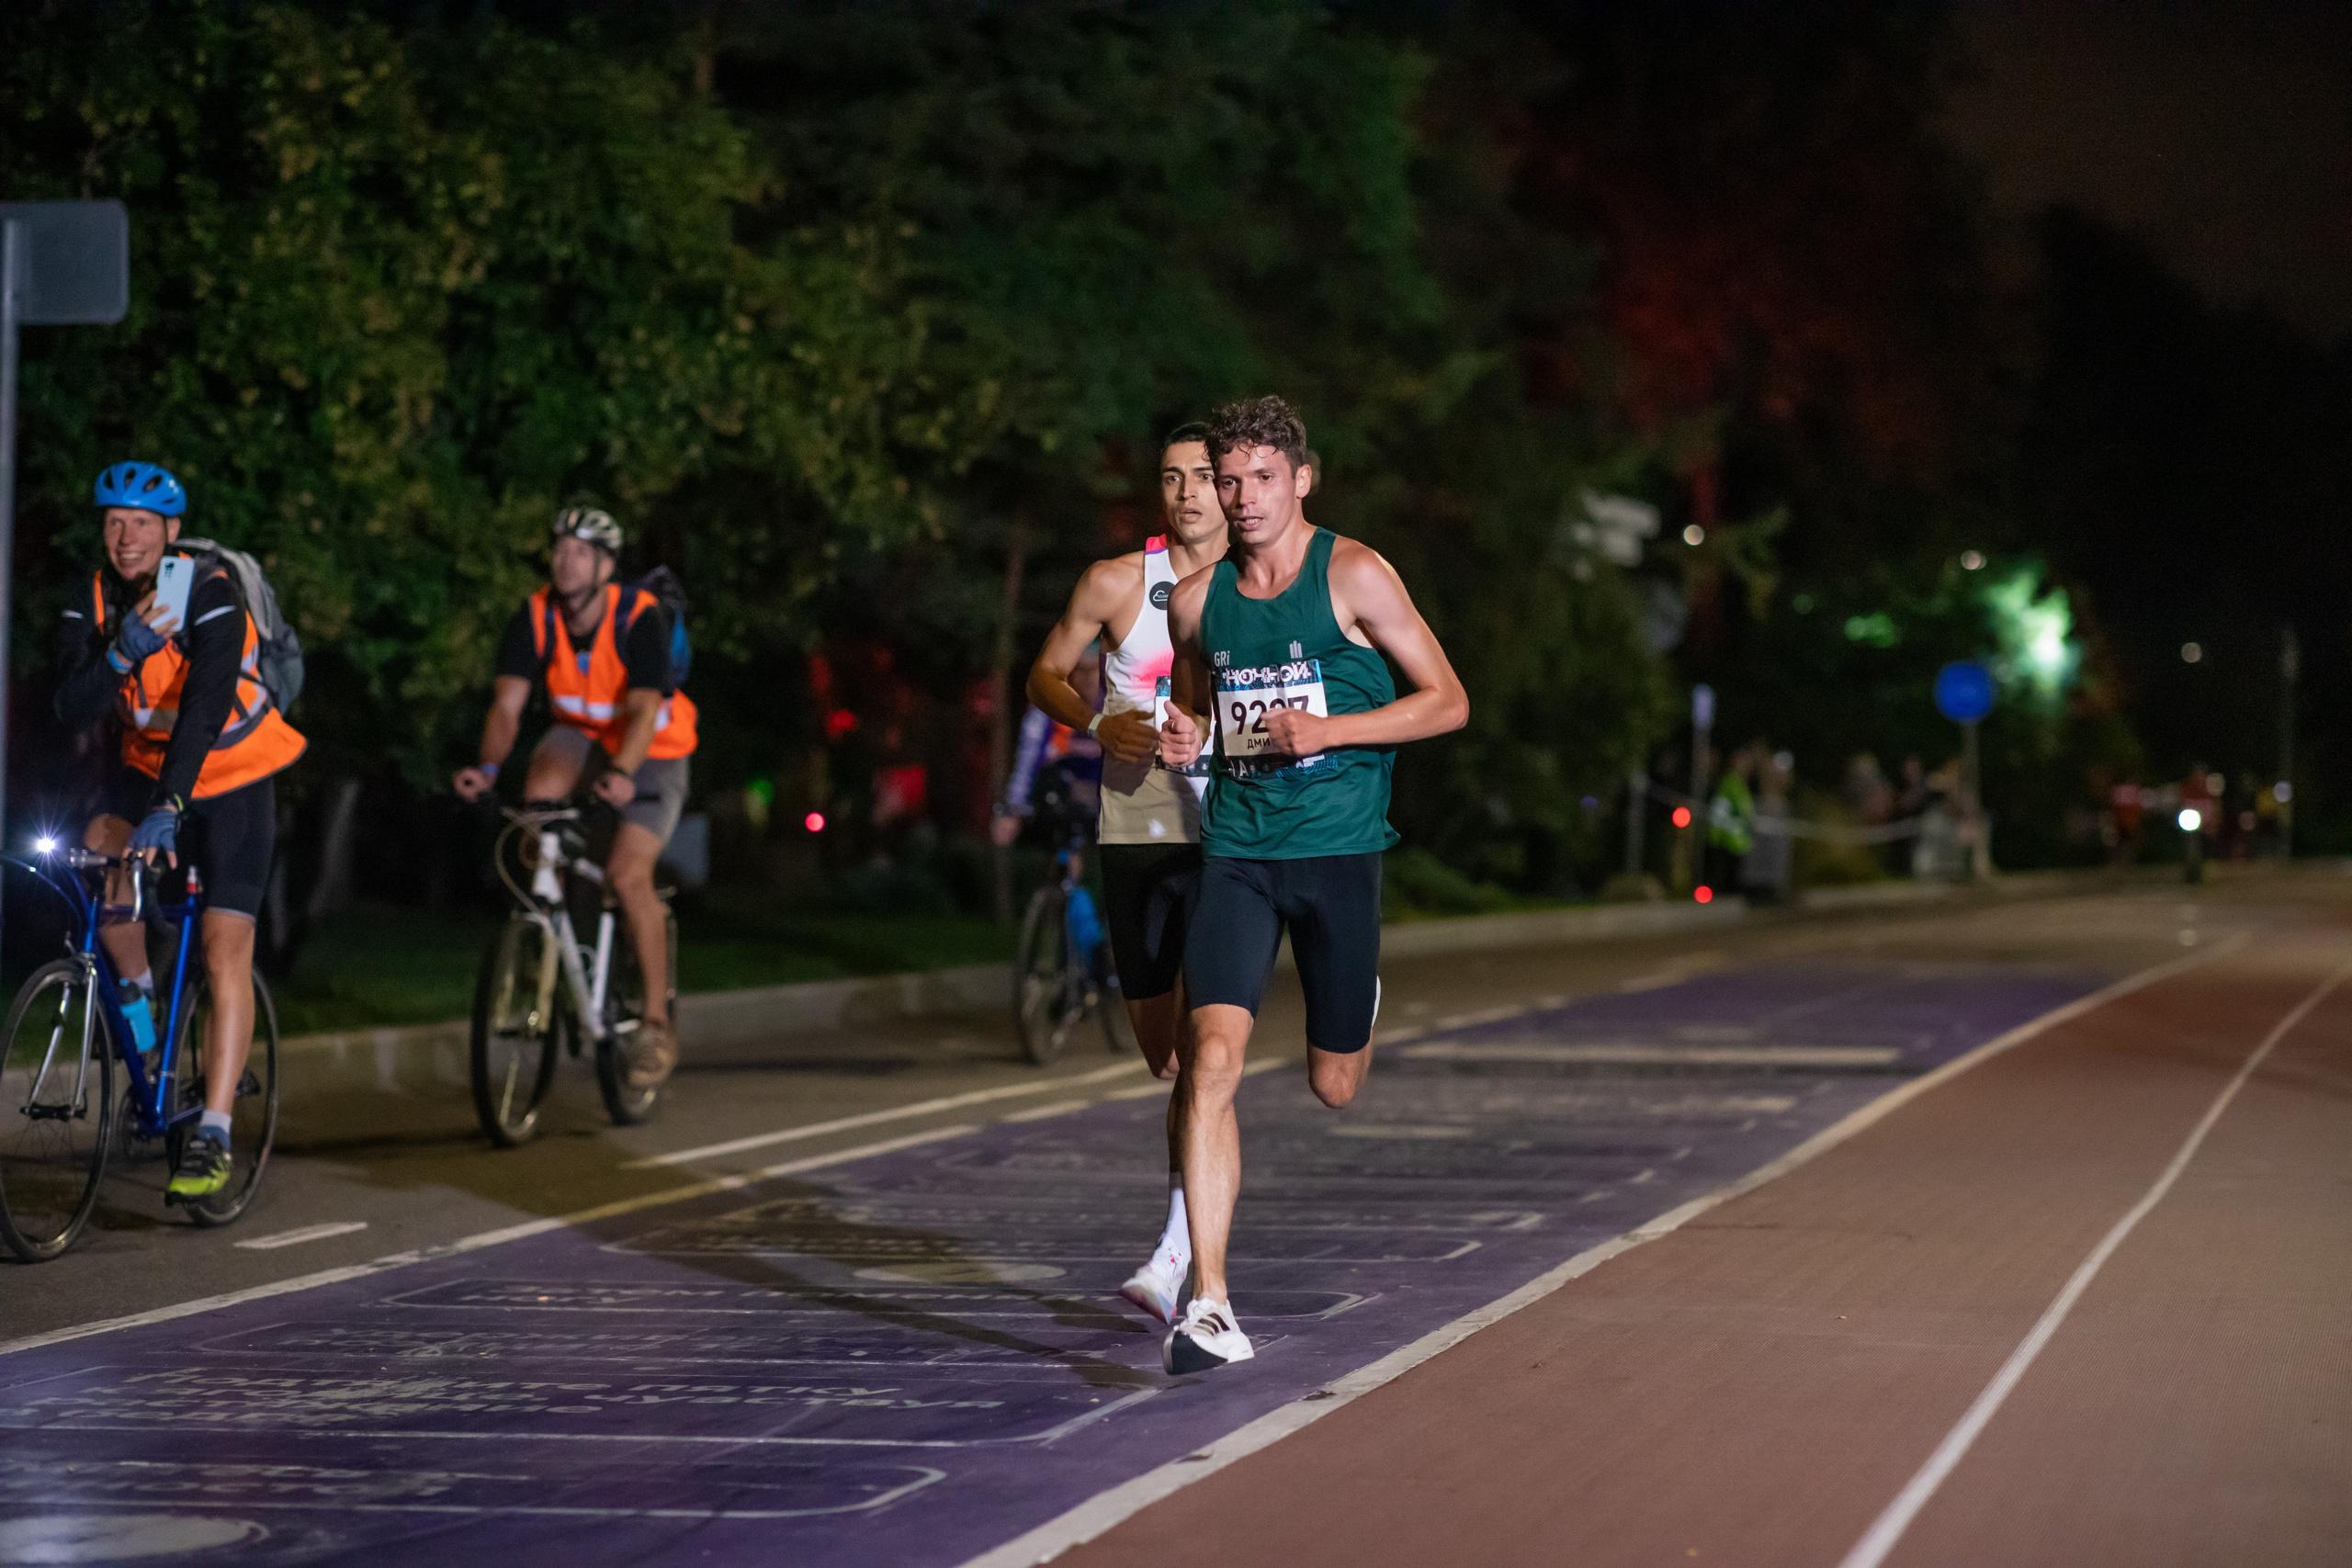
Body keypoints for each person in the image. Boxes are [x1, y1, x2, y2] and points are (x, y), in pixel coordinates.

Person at [1155, 395, 1468, 1372]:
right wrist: (1185, 738)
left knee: (1334, 1085)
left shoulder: (1356, 574)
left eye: (1261, 478)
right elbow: (1199, 713)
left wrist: (1332, 730)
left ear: (1300, 479)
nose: (1242, 497)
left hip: (1338, 851)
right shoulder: (1194, 603)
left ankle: (1354, 1001)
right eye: (1227, 480)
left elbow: (1448, 702)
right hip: (1238, 852)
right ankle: (1209, 1304)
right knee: (1210, 1057)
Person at [1019, 423, 1227, 1325]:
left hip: (1229, 834)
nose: (1187, 492)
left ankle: (1183, 1256)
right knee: (1167, 1056)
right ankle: (1185, 1237)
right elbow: (1044, 674)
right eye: (1171, 477)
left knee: (1210, 1049)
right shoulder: (1114, 582)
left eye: (1203, 476)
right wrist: (1095, 720)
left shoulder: (1264, 585)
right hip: (1137, 829)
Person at [54, 463, 308, 1202]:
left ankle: (215, 1133)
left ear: (171, 531)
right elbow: (70, 705)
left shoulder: (206, 589)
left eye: (142, 523)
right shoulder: (94, 597)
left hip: (233, 773)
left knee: (225, 946)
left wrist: (170, 804)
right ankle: (145, 1025)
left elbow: (204, 707)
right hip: (150, 770)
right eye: (113, 521)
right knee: (101, 848)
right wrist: (120, 652)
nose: (125, 536)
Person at [452, 508, 695, 1089]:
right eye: (560, 550)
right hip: (581, 737)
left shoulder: (638, 616)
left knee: (628, 876)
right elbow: (507, 706)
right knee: (535, 810)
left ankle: (655, 1026)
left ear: (606, 566)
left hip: (653, 749)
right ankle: (544, 935)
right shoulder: (536, 615)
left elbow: (644, 710)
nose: (566, 562)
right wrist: (487, 769)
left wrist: (623, 773)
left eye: (582, 553)